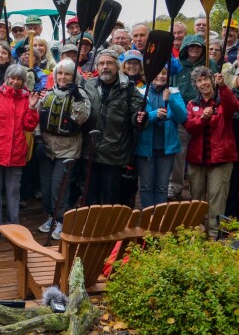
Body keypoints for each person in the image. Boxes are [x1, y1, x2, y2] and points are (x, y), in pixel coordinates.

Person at [0, 64, 40, 239]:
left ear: (23, 81)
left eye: (19, 79)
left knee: (13, 192)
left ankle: (14, 227)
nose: (15, 81)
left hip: (16, 152)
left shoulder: (27, 99)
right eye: (12, 77)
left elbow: (29, 125)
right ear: (6, 78)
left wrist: (33, 108)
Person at [83, 50, 148, 205]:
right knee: (89, 197)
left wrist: (140, 118)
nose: (105, 67)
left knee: (111, 199)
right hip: (89, 152)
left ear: (117, 66)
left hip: (114, 155)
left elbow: (137, 115)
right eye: (101, 63)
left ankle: (110, 229)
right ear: (97, 67)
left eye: (109, 63)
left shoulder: (129, 89)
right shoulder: (87, 86)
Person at [37, 59, 91, 240]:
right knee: (46, 186)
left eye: (67, 74)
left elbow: (81, 117)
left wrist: (76, 97)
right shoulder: (48, 94)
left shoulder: (80, 95)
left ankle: (61, 220)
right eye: (60, 73)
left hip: (68, 148)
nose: (62, 77)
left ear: (73, 77)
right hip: (47, 146)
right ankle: (50, 216)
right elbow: (37, 116)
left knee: (58, 186)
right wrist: (38, 139)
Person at [184, 68, 238, 236]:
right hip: (197, 160)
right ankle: (197, 234)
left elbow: (234, 106)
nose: (204, 83)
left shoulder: (223, 101)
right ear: (196, 85)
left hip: (221, 159)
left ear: (212, 81)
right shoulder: (192, 104)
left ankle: (215, 235)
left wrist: (223, 87)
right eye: (199, 81)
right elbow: (190, 128)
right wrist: (202, 118)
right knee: (197, 199)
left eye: (206, 79)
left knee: (217, 198)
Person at [135, 68, 187, 209]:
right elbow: (137, 118)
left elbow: (182, 117)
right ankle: (147, 217)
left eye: (164, 73)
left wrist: (171, 101)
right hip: (146, 147)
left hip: (166, 147)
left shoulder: (174, 92)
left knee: (162, 186)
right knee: (146, 185)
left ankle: (159, 217)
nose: (161, 76)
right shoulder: (140, 92)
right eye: (158, 72)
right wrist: (153, 115)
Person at [171, 34, 213, 200]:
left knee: (202, 150)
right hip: (183, 114)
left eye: (197, 46)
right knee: (179, 152)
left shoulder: (210, 64)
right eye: (191, 46)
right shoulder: (178, 65)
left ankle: (204, 189)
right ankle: (175, 187)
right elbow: (173, 87)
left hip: (204, 114)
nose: (194, 49)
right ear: (185, 48)